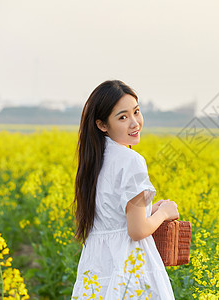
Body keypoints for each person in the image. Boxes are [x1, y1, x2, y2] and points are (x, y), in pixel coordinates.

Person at [71, 80, 179, 299]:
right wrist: (165, 213)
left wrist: (151, 210)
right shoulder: (132, 161)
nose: (134, 123)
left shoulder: (93, 161)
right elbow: (137, 230)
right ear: (102, 125)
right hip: (130, 266)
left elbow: (116, 216)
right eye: (123, 117)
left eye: (136, 112)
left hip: (97, 267)